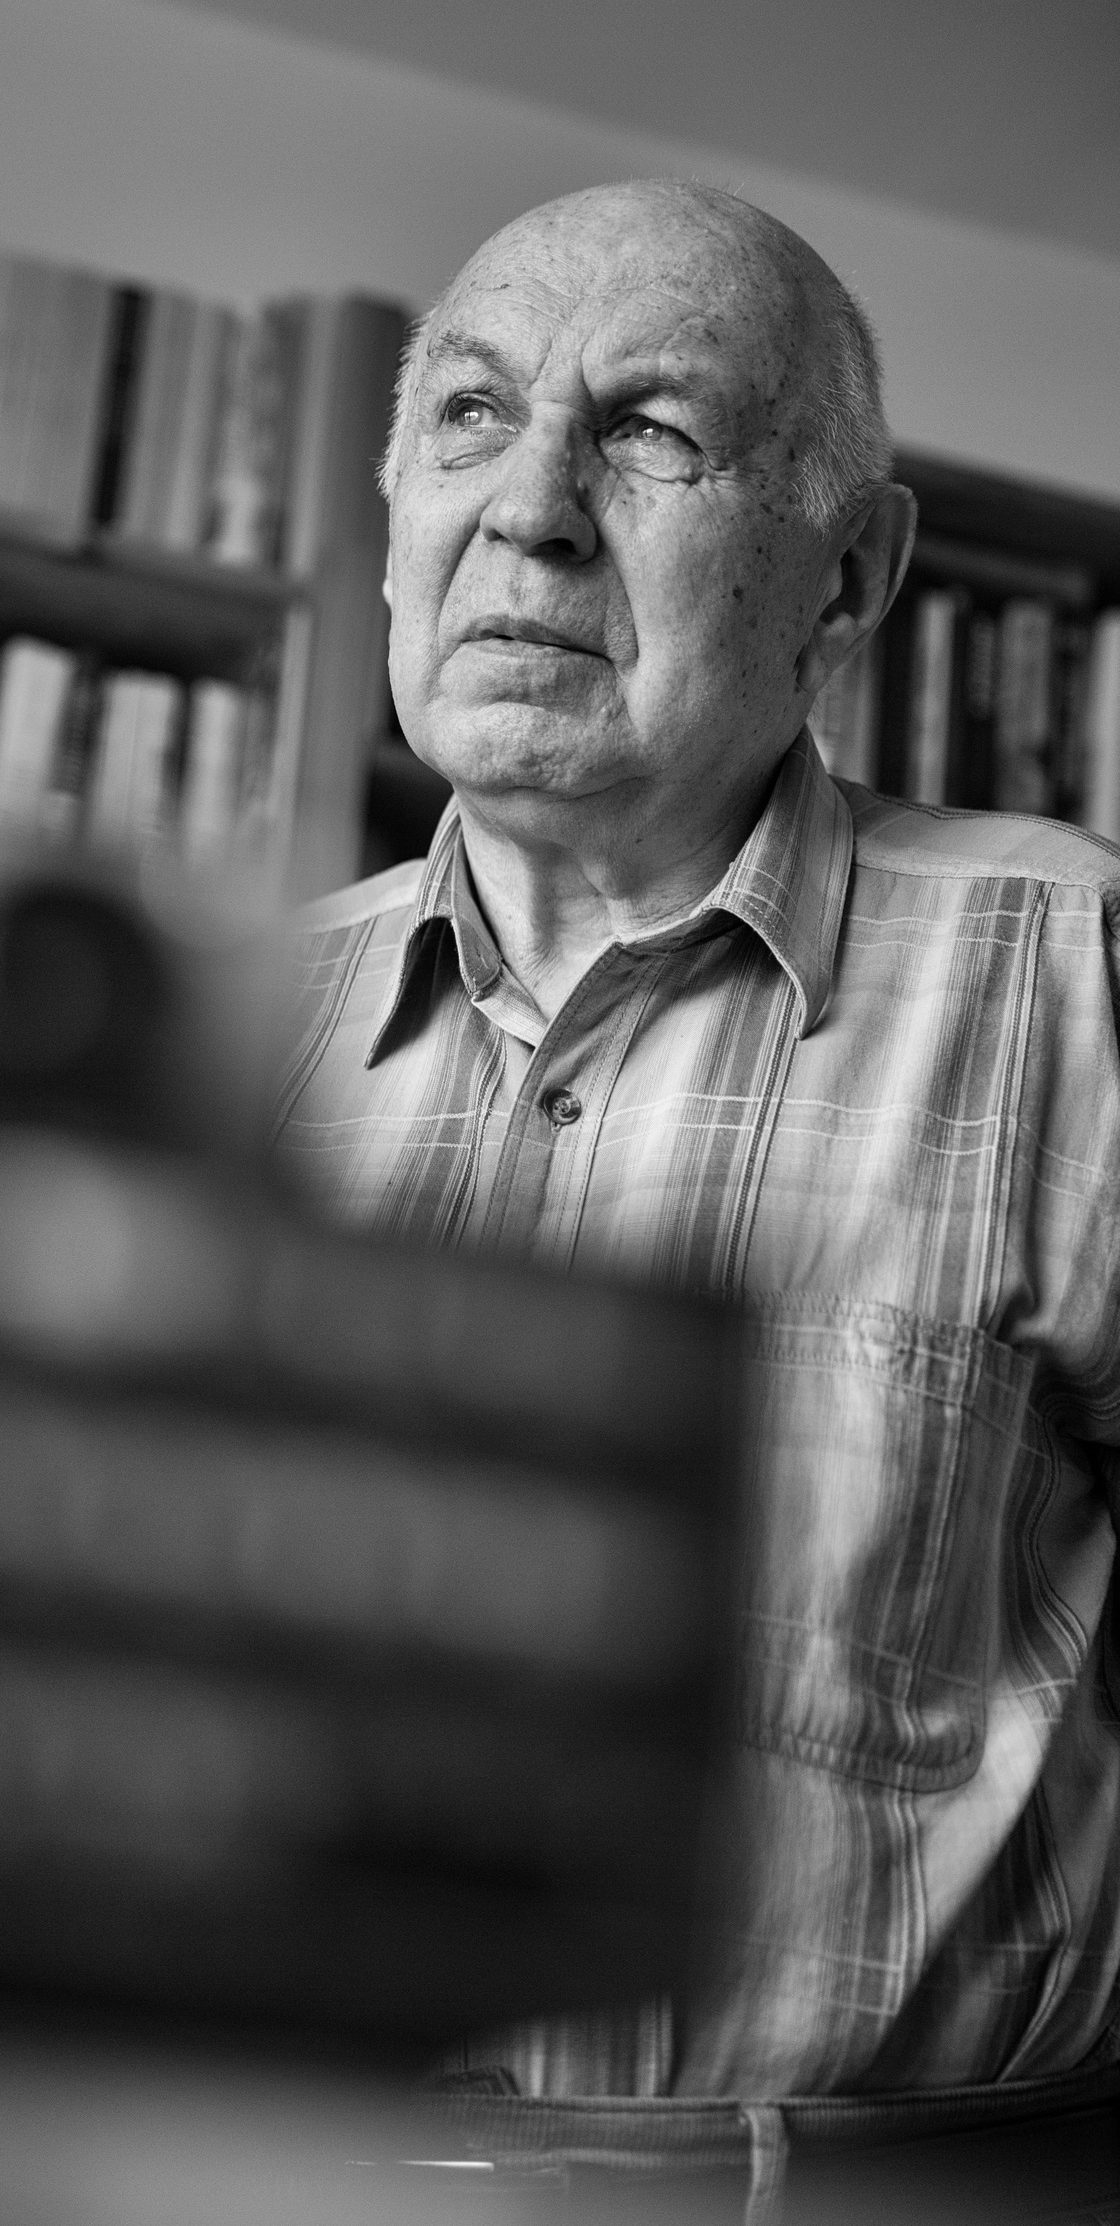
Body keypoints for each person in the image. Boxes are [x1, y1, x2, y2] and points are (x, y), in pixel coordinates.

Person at [271, 181, 1120, 2197]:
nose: (531, 512)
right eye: (471, 417)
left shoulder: (1076, 976)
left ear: (849, 577)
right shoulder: (227, 1036)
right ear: (389, 521)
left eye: (649, 434)